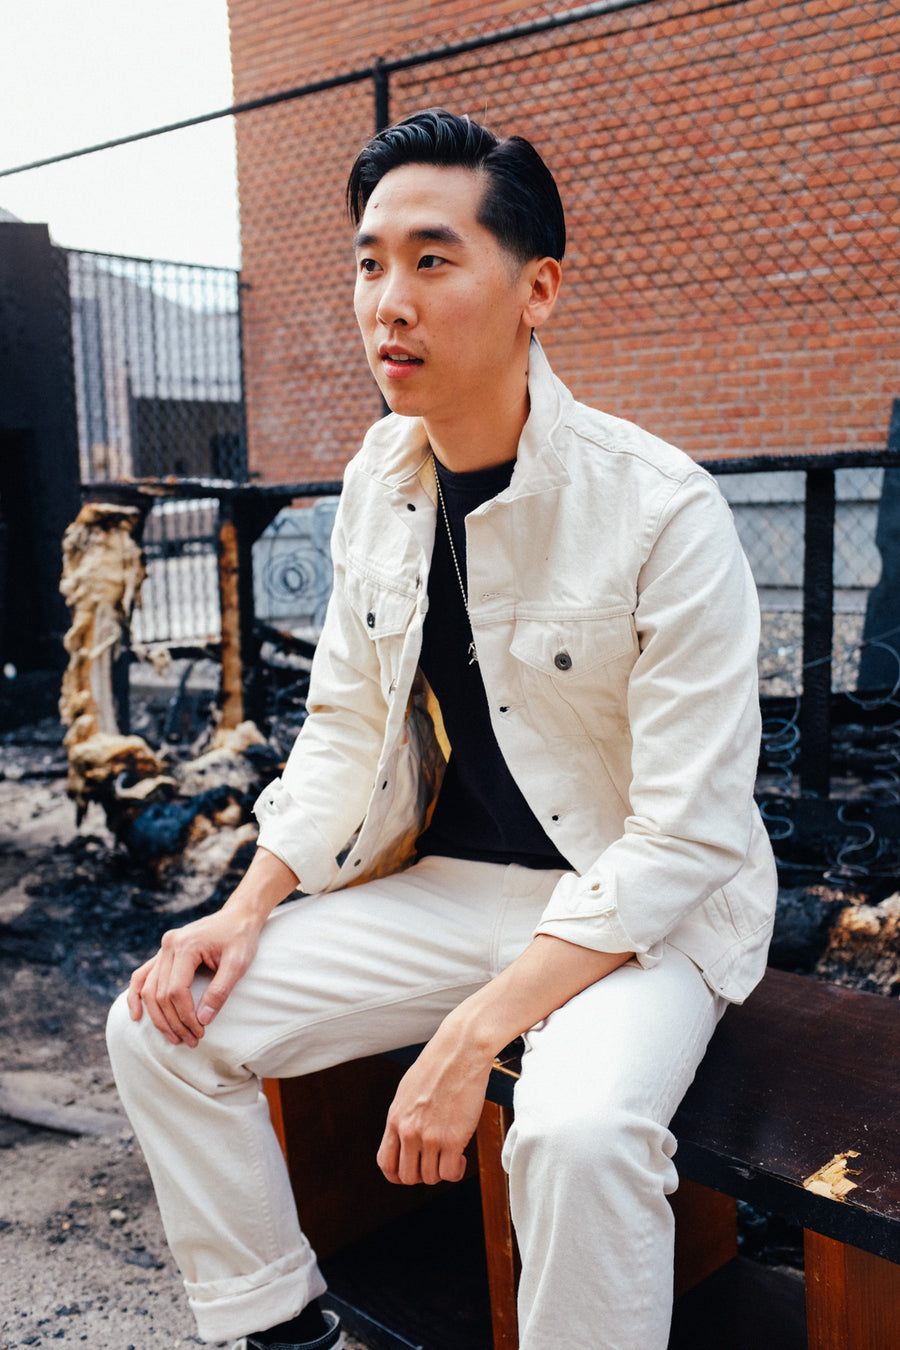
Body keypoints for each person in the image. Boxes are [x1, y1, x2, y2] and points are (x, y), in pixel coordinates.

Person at [107, 108, 777, 1350]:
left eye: (430, 258)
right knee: (161, 1022)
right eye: (368, 263)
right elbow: (347, 726)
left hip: (645, 913)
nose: (386, 302)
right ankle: (280, 1327)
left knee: (572, 1135)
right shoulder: (379, 477)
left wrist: (477, 1031)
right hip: (460, 890)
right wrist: (244, 909)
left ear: (539, 290)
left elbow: (687, 835)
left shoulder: (660, 510)